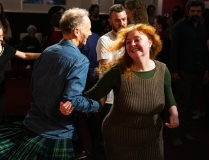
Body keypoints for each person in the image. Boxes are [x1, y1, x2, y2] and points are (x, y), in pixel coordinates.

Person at [0, 8, 102, 160]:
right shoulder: (80, 60)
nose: (90, 33)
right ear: (76, 31)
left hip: (33, 123)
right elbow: (71, 100)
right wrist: (97, 104)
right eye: (88, 29)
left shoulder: (47, 51)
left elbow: (32, 87)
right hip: (57, 132)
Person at [60, 23, 179, 160]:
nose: (132, 44)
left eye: (137, 40)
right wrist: (71, 103)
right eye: (128, 42)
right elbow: (93, 94)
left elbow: (169, 96)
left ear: (150, 42)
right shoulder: (118, 71)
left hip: (152, 139)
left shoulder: (163, 70)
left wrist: (174, 113)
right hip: (120, 140)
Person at [169, 0, 208, 146]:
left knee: (191, 105)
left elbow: (204, 52)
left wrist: (206, 70)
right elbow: (174, 51)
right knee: (181, 104)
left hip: (199, 72)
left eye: (198, 11)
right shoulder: (180, 27)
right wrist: (174, 71)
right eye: (193, 11)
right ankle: (176, 134)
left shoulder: (203, 28)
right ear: (188, 12)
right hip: (184, 72)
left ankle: (184, 131)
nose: (195, 14)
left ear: (201, 12)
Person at [94, 4, 127, 159]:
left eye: (124, 19)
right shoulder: (104, 40)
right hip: (109, 97)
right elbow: (107, 68)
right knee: (106, 137)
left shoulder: (130, 39)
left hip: (126, 94)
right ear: (110, 21)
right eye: (117, 20)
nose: (121, 23)